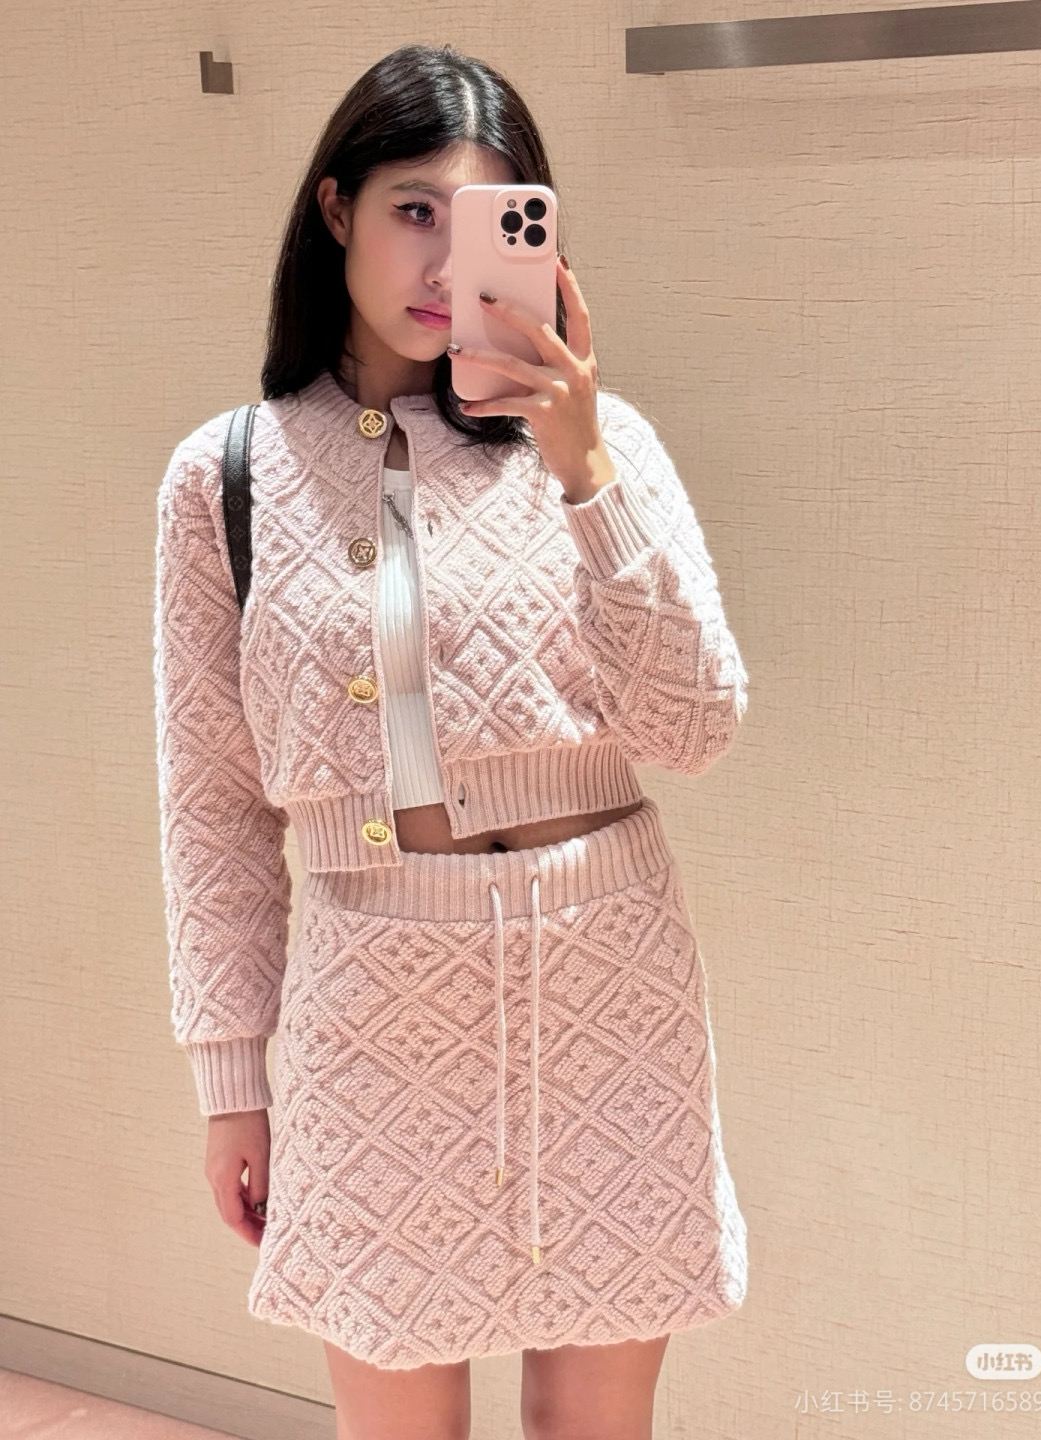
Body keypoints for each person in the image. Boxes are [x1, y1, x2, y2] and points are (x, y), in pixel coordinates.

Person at [153, 40, 750, 1440]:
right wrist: (232, 1083)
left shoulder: (602, 447)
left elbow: (696, 727)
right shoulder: (225, 477)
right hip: (373, 1005)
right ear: (335, 208)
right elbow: (213, 806)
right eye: (413, 208)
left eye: (483, 218)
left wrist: (586, 470)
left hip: (608, 990)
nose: (441, 259)